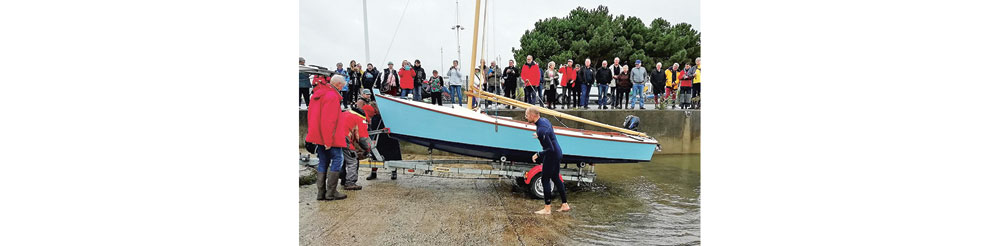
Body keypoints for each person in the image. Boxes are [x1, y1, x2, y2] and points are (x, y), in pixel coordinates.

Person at [305, 75, 348, 201]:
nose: (343, 88)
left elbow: (314, 117)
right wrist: (328, 141)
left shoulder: (318, 94)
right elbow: (329, 121)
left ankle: (321, 193)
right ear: (338, 84)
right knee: (337, 159)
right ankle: (331, 192)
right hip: (330, 138)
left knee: (323, 162)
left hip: (318, 136)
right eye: (343, 86)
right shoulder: (332, 97)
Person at [525, 107, 570, 215]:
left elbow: (550, 149)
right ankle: (565, 204)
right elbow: (549, 133)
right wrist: (540, 136)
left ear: (533, 116)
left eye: (527, 115)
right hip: (558, 153)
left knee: (545, 179)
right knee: (555, 177)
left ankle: (547, 208)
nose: (525, 117)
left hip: (552, 155)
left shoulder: (541, 130)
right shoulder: (544, 121)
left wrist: (538, 154)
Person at [339, 105, 371, 190]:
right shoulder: (360, 119)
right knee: (353, 160)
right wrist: (368, 149)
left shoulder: (345, 113)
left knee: (341, 159)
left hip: (333, 138)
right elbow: (362, 138)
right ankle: (350, 183)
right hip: (345, 139)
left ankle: (343, 178)